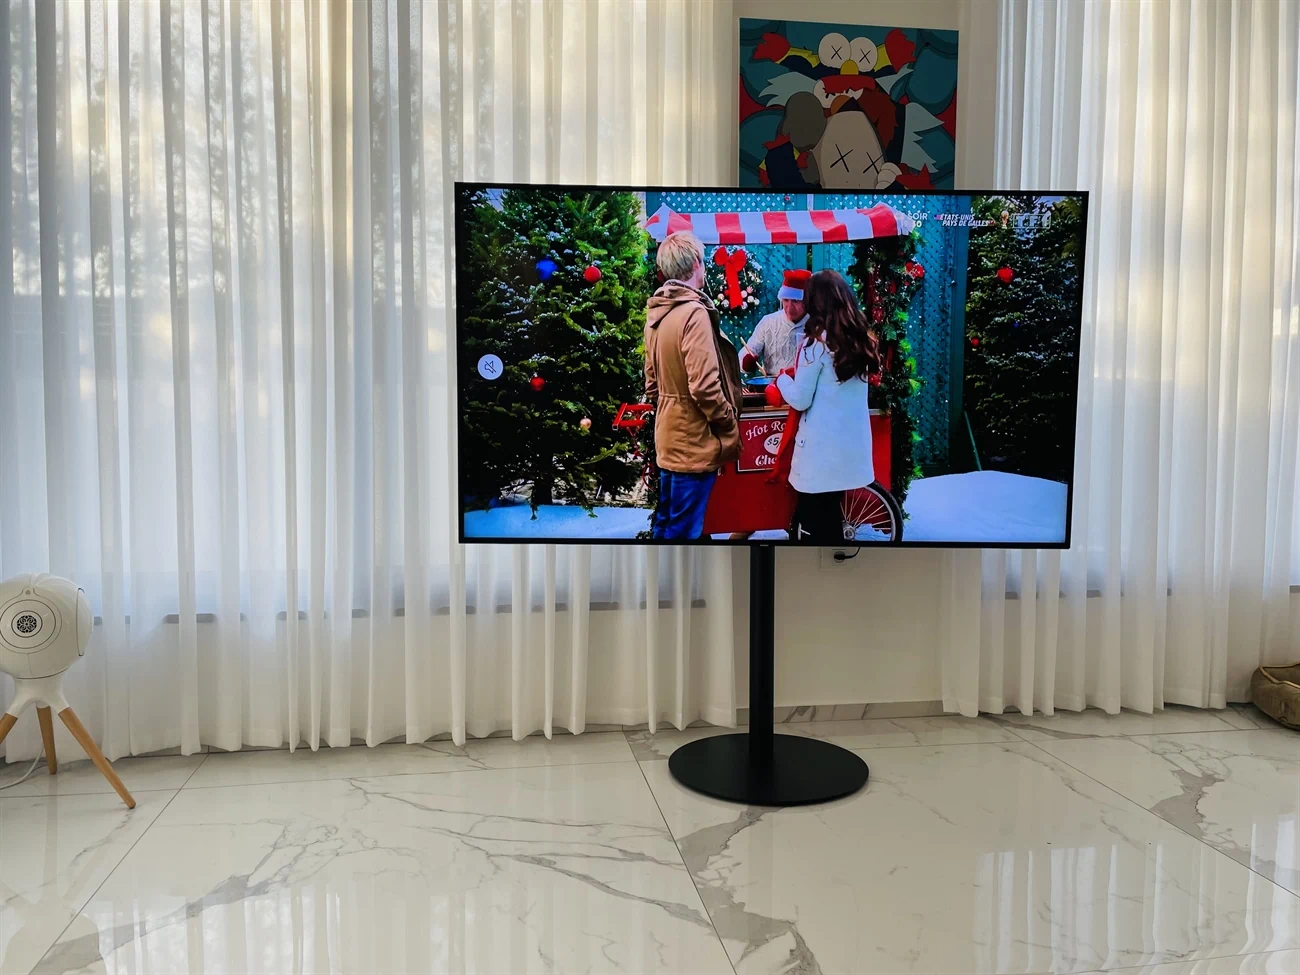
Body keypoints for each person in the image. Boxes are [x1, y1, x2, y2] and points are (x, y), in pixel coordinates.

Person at [644, 232, 745, 539]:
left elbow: (651, 383)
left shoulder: (657, 311)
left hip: (669, 436)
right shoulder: (694, 312)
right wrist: (727, 423)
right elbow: (704, 386)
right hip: (694, 441)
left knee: (667, 525)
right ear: (696, 264)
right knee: (684, 533)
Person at [774, 269, 878, 543]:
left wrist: (782, 380)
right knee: (831, 513)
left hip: (820, 453)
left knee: (814, 520)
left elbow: (800, 398)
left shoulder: (816, 344)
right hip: (849, 448)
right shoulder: (860, 339)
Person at [741, 269, 811, 375]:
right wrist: (746, 362)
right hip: (772, 382)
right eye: (786, 300)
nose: (789, 307)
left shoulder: (816, 325)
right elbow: (749, 350)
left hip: (806, 383)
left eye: (795, 301)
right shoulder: (768, 322)